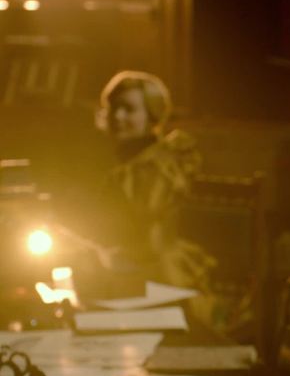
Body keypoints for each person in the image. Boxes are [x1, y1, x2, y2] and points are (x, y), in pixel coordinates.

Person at [62, 71, 251, 337]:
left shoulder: (162, 165)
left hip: (159, 281)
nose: (118, 117)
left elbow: (147, 227)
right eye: (114, 108)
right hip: (121, 275)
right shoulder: (117, 162)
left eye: (129, 109)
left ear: (152, 115)